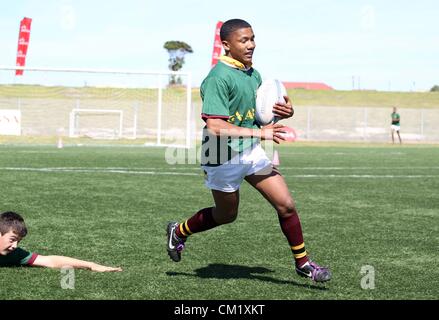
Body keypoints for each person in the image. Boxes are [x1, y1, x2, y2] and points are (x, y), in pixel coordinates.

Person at [166, 19, 331, 283]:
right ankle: (180, 231)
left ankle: (303, 263)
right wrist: (260, 133)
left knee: (286, 205)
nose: (251, 45)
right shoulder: (218, 78)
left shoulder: (254, 74)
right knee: (226, 215)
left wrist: (284, 113)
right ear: (227, 45)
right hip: (220, 156)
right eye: (244, 40)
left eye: (252, 39)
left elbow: (259, 117)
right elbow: (216, 126)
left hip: (251, 151)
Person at [0, 211, 122, 272]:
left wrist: (91, 265)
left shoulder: (14, 253)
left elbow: (50, 260)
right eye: (12, 240)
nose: (15, 246)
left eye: (18, 242)